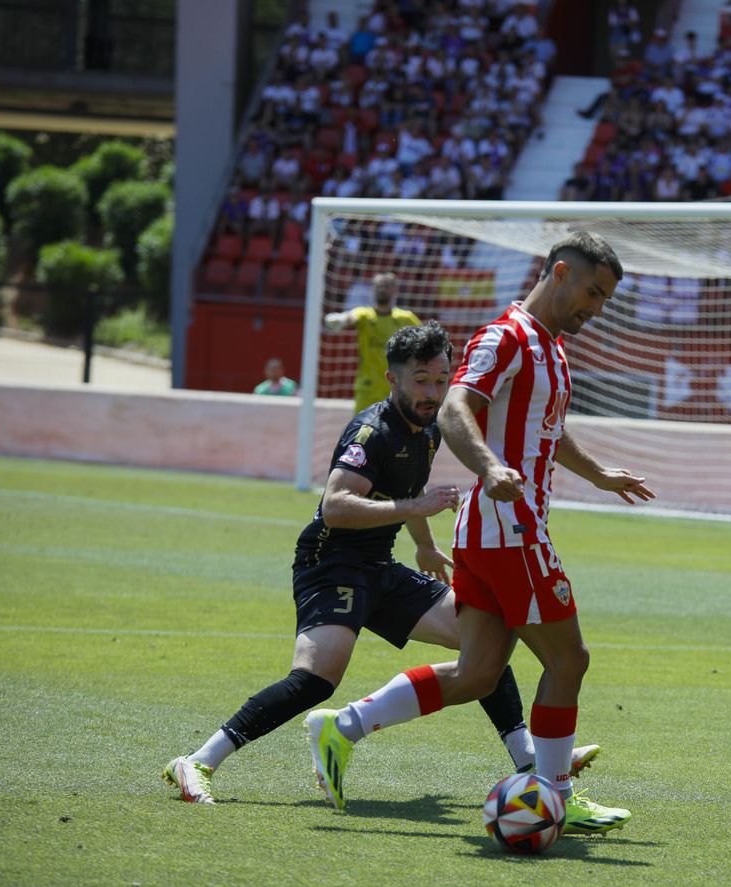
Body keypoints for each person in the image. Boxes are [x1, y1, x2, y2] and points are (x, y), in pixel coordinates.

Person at [163, 322, 598, 804]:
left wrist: (425, 545)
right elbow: (336, 505)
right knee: (314, 681)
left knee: (484, 640)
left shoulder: (430, 428)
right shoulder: (371, 432)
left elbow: (407, 493)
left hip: (379, 565)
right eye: (420, 380)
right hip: (331, 565)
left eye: (440, 379)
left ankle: (527, 757)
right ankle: (199, 760)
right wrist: (416, 510)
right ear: (392, 379)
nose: (433, 392)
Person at [306, 233, 652, 836]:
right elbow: (455, 406)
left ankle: (345, 727)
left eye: (604, 299)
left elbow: (545, 426)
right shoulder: (507, 336)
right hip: (510, 531)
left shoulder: (551, 347)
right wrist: (489, 467)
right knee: (569, 659)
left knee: (478, 674)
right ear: (561, 272)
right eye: (592, 292)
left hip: (491, 534)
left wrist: (596, 473)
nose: (595, 309)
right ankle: (555, 795)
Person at [323, 272, 422, 412]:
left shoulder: (406, 318)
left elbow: (424, 341)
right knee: (361, 431)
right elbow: (351, 318)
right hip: (368, 388)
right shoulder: (365, 314)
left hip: (398, 389)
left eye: (386, 286)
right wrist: (341, 319)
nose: (382, 289)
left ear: (395, 290)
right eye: (378, 286)